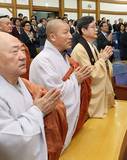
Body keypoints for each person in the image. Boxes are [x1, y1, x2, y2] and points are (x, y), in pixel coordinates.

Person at [0, 32, 65, 160]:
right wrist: (38, 111)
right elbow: (8, 143)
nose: (23, 56)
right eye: (14, 52)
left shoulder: (23, 84)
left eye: (22, 50)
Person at [30, 19, 92, 152]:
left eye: (70, 32)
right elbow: (54, 94)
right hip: (53, 121)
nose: (71, 36)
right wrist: (75, 79)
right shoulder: (42, 61)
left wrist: (77, 79)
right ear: (52, 37)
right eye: (65, 33)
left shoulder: (64, 57)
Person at [71, 16, 115, 118]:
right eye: (93, 27)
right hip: (87, 95)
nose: (97, 29)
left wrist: (105, 59)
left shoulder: (93, 47)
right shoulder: (79, 50)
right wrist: (102, 60)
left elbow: (102, 67)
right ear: (84, 30)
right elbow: (91, 74)